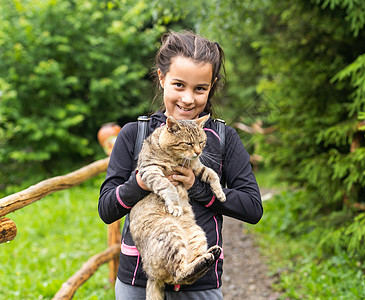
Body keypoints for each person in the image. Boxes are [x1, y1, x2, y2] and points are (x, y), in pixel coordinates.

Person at [98, 30, 263, 300]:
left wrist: (198, 187)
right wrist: (141, 182)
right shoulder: (133, 134)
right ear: (162, 78)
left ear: (212, 86)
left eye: (200, 89)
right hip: (137, 283)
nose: (188, 99)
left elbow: (252, 208)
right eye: (179, 85)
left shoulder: (222, 138)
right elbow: (106, 209)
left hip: (201, 284)